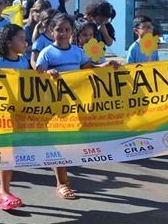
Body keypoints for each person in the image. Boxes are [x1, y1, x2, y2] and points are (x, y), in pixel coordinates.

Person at [35, 12, 120, 200]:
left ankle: (61, 173)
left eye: (66, 30)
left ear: (71, 31)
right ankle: (61, 184)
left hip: (76, 107)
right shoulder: (47, 53)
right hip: (56, 106)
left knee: (69, 144)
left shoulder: (77, 52)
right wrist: (47, 72)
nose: (63, 33)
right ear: (51, 30)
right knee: (59, 143)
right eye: (58, 30)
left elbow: (88, 69)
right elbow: (37, 74)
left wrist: (106, 65)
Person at [0, 24, 29, 211]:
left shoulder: (25, 62)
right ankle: (4, 191)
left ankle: (4, 190)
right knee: (5, 151)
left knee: (11, 152)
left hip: (19, 115)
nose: (24, 42)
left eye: (25, 38)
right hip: (1, 115)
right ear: (8, 42)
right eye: (20, 38)